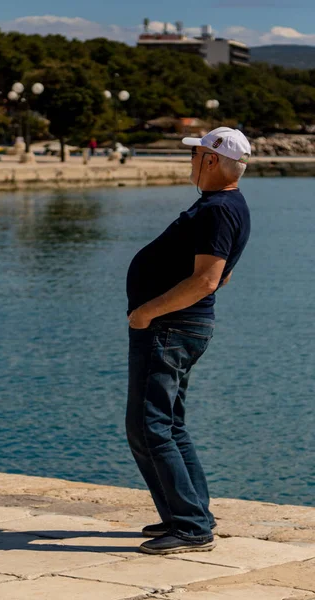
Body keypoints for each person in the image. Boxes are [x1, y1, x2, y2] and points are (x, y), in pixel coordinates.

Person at [125, 127, 251, 555]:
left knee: (149, 425)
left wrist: (147, 312)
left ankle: (192, 526)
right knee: (168, 424)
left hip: (169, 329)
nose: (191, 162)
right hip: (180, 327)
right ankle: (189, 512)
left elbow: (208, 279)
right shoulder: (226, 205)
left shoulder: (217, 209)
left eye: (195, 155)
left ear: (211, 160)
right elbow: (224, 273)